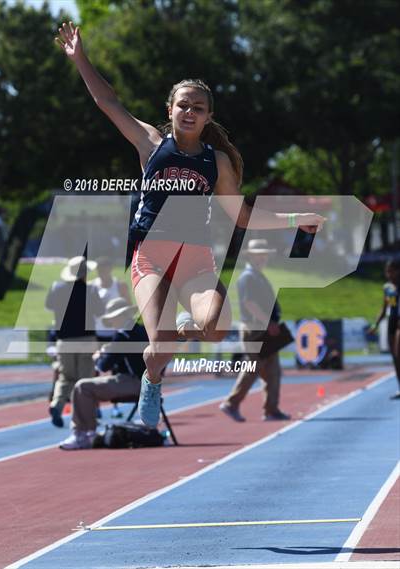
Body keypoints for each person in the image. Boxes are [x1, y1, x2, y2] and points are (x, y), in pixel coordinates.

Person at [55, 22, 325, 428]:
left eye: (198, 107)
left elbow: (243, 215)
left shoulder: (215, 162)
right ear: (170, 110)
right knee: (156, 349)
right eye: (183, 104)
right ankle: (152, 380)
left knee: (217, 328)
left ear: (208, 116)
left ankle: (182, 332)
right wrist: (80, 59)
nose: (189, 111)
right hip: (150, 259)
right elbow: (108, 102)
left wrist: (294, 219)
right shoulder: (150, 143)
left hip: (194, 260)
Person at [59, 297, 148, 450]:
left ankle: (84, 433)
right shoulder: (138, 330)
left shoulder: (123, 335)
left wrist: (99, 355)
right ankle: (87, 431)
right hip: (145, 382)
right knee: (88, 387)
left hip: (133, 382)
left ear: (121, 316)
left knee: (82, 387)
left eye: (113, 318)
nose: (112, 322)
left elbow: (103, 366)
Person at [220, 239, 291, 422]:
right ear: (251, 256)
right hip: (255, 329)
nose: (263, 257)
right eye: (260, 254)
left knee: (273, 371)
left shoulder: (257, 275)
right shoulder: (248, 277)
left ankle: (271, 409)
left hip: (262, 329)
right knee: (253, 368)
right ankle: (231, 403)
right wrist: (268, 322)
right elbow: (248, 303)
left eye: (264, 254)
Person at [45, 255, 105, 427]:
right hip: (86, 338)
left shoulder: (56, 288)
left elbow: (49, 306)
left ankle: (57, 404)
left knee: (65, 377)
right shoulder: (91, 290)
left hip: (63, 340)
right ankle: (83, 416)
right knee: (85, 379)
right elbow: (100, 311)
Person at [369, 259, 400, 399]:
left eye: (391, 271)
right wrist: (375, 324)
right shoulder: (388, 288)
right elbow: (385, 307)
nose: (389, 274)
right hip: (392, 322)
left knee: (399, 354)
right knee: (395, 358)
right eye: (387, 271)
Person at [92, 256, 132, 342]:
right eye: (100, 271)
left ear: (110, 269)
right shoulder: (91, 286)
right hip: (97, 331)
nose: (102, 274)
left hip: (116, 332)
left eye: (104, 271)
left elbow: (129, 308)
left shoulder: (120, 286)